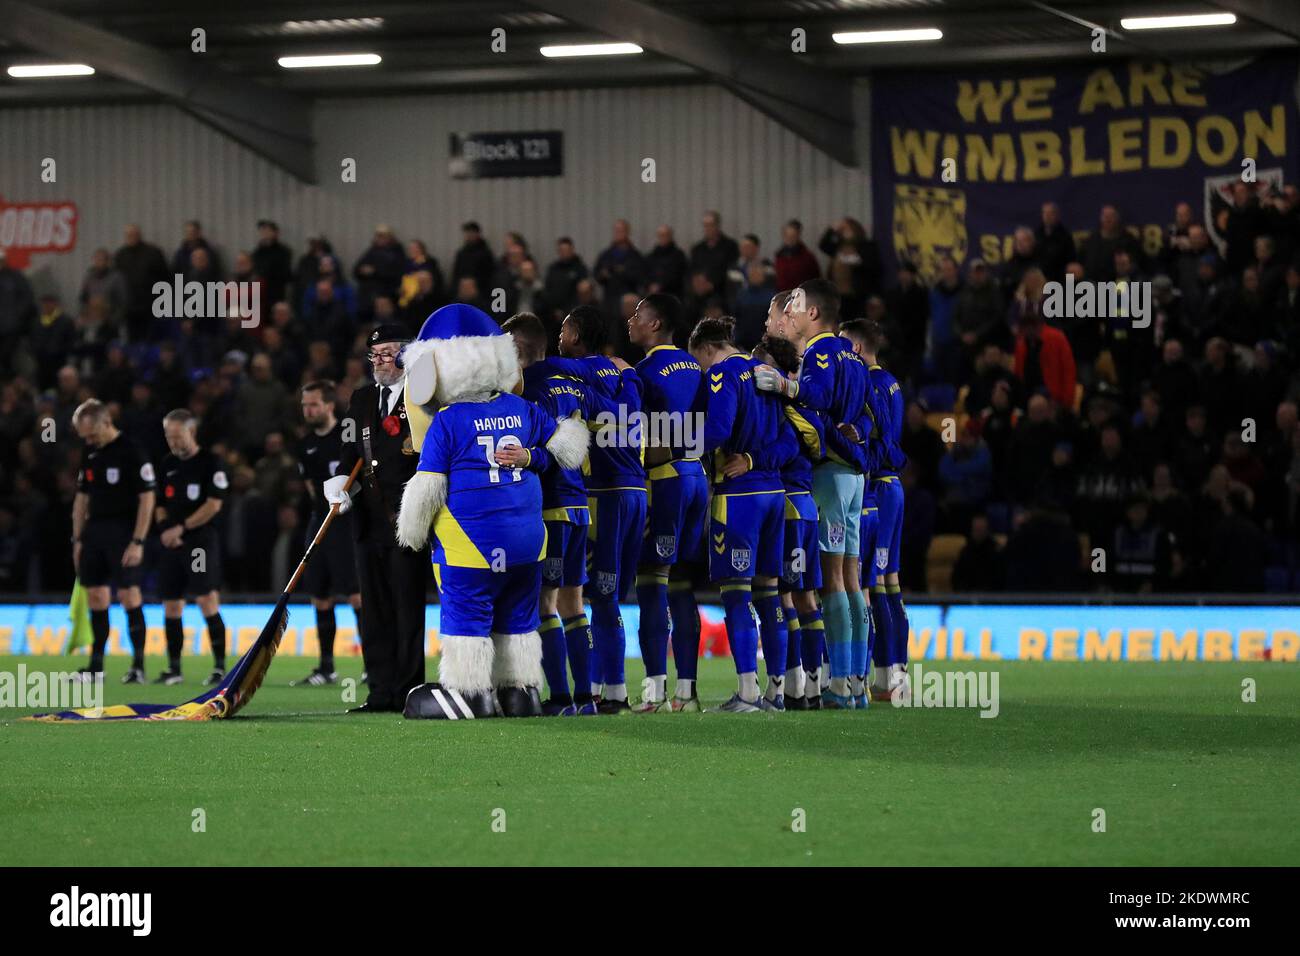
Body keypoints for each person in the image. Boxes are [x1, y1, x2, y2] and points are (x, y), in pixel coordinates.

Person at [396, 304, 590, 719]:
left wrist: (411, 534)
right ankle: (521, 694)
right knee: (518, 622)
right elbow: (571, 446)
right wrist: (533, 456)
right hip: (526, 544)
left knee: (467, 618)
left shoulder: (449, 420)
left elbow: (427, 487)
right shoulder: (520, 409)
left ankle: (472, 694)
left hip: (472, 546)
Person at [756, 279, 871, 709]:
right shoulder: (853, 357)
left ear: (814, 314)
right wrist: (856, 438)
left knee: (835, 581)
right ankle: (855, 681)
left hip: (828, 478)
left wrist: (782, 386)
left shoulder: (822, 349)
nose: (791, 313)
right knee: (852, 580)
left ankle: (840, 682)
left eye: (797, 306)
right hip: (853, 477)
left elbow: (818, 397)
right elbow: (865, 416)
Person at [689, 316, 797, 711]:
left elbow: (717, 429)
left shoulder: (722, 374)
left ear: (704, 349)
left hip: (739, 500)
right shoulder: (766, 373)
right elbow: (790, 441)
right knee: (769, 595)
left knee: (736, 595)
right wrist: (754, 459)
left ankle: (747, 693)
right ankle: (776, 691)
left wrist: (679, 445)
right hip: (774, 495)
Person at [549, 306, 647, 712]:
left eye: (563, 329)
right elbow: (629, 412)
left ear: (576, 337)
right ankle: (610, 689)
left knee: (599, 598)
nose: (559, 336)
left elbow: (540, 361)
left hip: (603, 494)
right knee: (609, 597)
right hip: (637, 492)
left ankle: (612, 693)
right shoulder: (625, 373)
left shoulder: (573, 372)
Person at [326, 325, 429, 713]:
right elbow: (348, 450)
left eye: (388, 353)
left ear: (407, 354)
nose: (381, 361)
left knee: (407, 608)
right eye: (375, 355)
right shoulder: (362, 398)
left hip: (408, 518)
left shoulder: (423, 396)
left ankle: (408, 690)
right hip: (367, 521)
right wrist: (338, 481)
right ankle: (380, 692)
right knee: (374, 610)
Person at [504, 312, 598, 716]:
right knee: (574, 606)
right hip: (579, 505)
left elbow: (547, 451)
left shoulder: (533, 389)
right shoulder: (574, 383)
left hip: (554, 507)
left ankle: (560, 698)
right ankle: (585, 699)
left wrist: (526, 457)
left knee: (547, 604)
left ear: (515, 348)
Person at [625, 293, 707, 712]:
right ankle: (687, 692)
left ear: (655, 324)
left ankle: (655, 691)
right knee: (683, 583)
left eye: (638, 314)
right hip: (699, 478)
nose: (630, 320)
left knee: (651, 580)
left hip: (666, 480)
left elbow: (642, 438)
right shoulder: (698, 366)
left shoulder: (643, 372)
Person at [752, 305, 825, 710]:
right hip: (804, 507)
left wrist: (751, 460)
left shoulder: (788, 409)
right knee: (804, 598)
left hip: (792, 508)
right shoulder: (797, 406)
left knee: (784, 597)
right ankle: (807, 688)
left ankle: (786, 687)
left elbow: (799, 445)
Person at [841, 319, 909, 704]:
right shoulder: (892, 381)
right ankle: (894, 676)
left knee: (873, 586)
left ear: (857, 346)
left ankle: (879, 678)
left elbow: (881, 438)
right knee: (889, 585)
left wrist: (859, 457)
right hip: (892, 487)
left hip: (880, 488)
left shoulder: (874, 383)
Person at [70, 400, 156, 684]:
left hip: (124, 533)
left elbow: (147, 498)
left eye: (91, 434)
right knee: (96, 596)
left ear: (106, 423)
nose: (88, 440)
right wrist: (78, 539)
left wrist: (138, 540)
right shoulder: (91, 453)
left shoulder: (132, 451)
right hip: (95, 533)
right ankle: (96, 666)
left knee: (129, 595)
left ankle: (138, 666)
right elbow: (82, 499)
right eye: (84, 436)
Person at [154, 408, 229, 686]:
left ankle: (220, 667)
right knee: (171, 604)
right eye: (168, 436)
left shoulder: (211, 462)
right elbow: (159, 504)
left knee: (206, 599)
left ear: (191, 432)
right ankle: (174, 669)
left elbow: (214, 504)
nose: (173, 442)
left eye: (177, 436)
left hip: (199, 542)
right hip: (171, 543)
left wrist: (181, 528)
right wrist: (164, 530)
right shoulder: (166, 464)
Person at [294, 380, 362, 686]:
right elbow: (311, 489)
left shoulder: (347, 435)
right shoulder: (304, 444)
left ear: (329, 405)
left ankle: (371, 665)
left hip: (346, 526)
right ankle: (326, 667)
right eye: (305, 405)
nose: (308, 410)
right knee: (319, 595)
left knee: (356, 596)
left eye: (313, 404)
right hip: (319, 523)